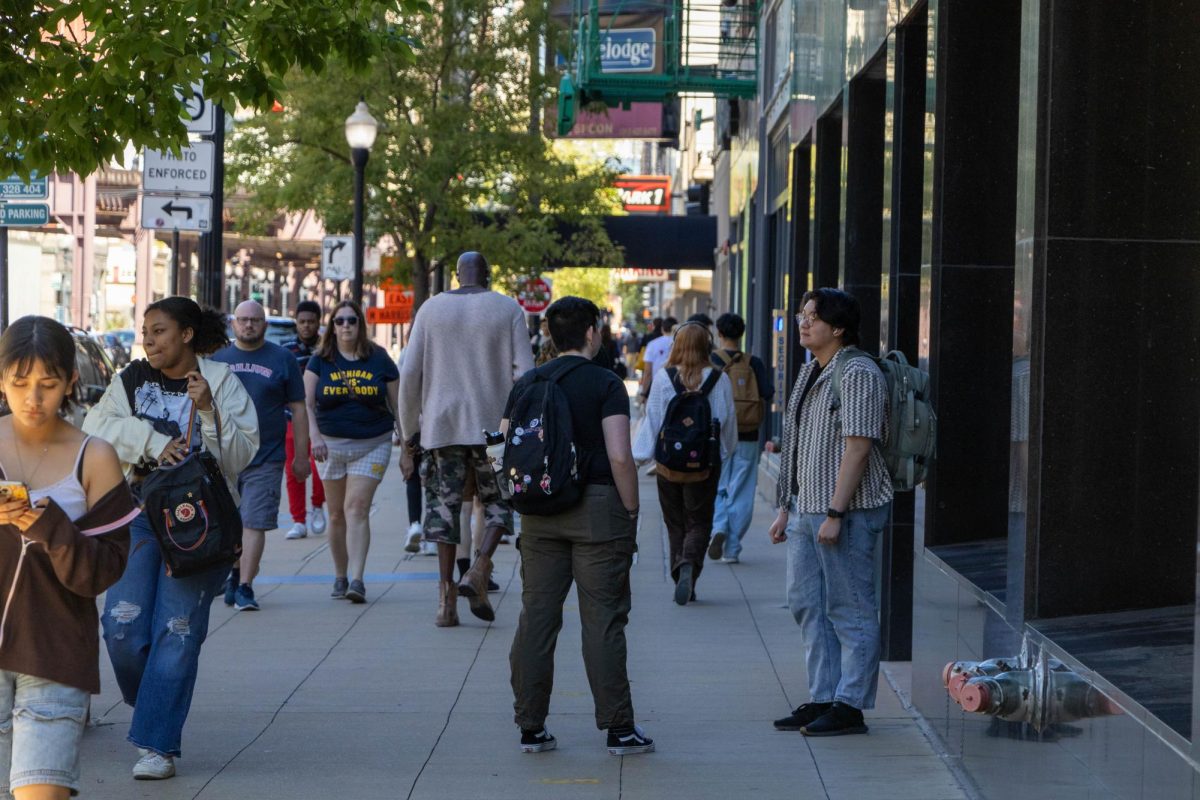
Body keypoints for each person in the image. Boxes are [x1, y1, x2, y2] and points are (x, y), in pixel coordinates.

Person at [83, 297, 259, 779]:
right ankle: (156, 702)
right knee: (122, 626)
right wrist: (154, 442)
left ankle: (157, 745)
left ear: (185, 334)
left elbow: (241, 455)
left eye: (158, 331)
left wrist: (206, 411)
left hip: (201, 521)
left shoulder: (222, 383)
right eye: (145, 331)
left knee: (176, 630)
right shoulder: (131, 380)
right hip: (137, 512)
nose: (149, 340)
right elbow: (95, 425)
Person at [506, 297, 653, 757]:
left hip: (539, 512)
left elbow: (506, 447)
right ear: (593, 332)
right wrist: (631, 510)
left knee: (537, 618)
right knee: (603, 620)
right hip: (597, 508)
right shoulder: (607, 384)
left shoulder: (528, 382)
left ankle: (531, 726)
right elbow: (619, 456)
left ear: (549, 333)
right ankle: (618, 728)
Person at [0, 316, 138, 800]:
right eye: (19, 384)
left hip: (55, 653)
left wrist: (48, 527)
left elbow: (102, 571)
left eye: (48, 384)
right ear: (1, 380)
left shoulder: (95, 456)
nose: (33, 399)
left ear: (71, 382)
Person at [768, 288, 893, 737]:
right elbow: (796, 444)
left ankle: (850, 704)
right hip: (806, 509)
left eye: (813, 317)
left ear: (838, 328)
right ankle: (823, 696)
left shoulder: (857, 371)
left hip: (848, 511)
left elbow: (858, 447)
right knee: (807, 605)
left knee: (851, 608)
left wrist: (836, 512)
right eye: (802, 315)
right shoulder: (809, 371)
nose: (803, 323)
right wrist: (786, 507)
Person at [398, 251, 534, 627]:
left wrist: (410, 433)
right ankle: (479, 568)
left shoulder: (430, 310)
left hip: (442, 428)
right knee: (498, 502)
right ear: (488, 275)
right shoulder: (507, 309)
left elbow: (410, 375)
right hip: (494, 429)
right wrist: (520, 427)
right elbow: (525, 374)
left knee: (445, 509)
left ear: (457, 275)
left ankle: (445, 602)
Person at [212, 300, 309, 611]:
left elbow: (298, 408)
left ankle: (245, 586)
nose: (249, 325)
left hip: (266, 456)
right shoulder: (218, 360)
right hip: (224, 458)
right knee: (229, 524)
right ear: (233, 323)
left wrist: (301, 455)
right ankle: (235, 572)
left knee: (254, 521)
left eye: (255, 320)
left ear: (265, 325)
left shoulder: (282, 359)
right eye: (243, 320)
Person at [633, 322, 736, 605]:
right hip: (704, 464)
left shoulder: (665, 379)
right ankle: (689, 563)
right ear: (708, 345)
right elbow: (727, 421)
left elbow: (652, 420)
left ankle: (680, 573)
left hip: (669, 465)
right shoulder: (719, 379)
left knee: (674, 523)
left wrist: (640, 458)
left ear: (676, 346)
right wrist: (725, 452)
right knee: (700, 521)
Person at [304, 300, 400, 604]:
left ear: (361, 324)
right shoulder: (320, 360)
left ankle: (357, 580)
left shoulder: (380, 359)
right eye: (340, 321)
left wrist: (408, 442)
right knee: (335, 514)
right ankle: (340, 574)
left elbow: (398, 405)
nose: (346, 326)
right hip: (329, 446)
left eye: (352, 320)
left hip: (373, 441)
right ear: (332, 326)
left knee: (356, 507)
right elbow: (306, 403)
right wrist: (314, 436)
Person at [708, 312, 775, 563]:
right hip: (748, 433)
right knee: (743, 490)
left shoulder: (711, 360)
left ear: (720, 333)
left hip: (718, 434)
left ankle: (719, 527)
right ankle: (733, 549)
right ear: (741, 334)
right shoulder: (753, 362)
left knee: (719, 486)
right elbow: (767, 392)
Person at [282, 300, 326, 539]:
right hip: (292, 419)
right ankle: (298, 520)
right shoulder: (287, 350)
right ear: (296, 323)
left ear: (318, 322)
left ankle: (318, 506)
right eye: (302, 322)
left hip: (321, 419)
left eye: (311, 322)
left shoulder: (327, 349)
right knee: (294, 468)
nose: (306, 326)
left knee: (321, 466)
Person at [638, 316, 677, 402]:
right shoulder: (681, 344)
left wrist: (643, 393)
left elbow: (647, 372)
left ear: (662, 329)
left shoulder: (652, 344)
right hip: (678, 388)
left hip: (657, 386)